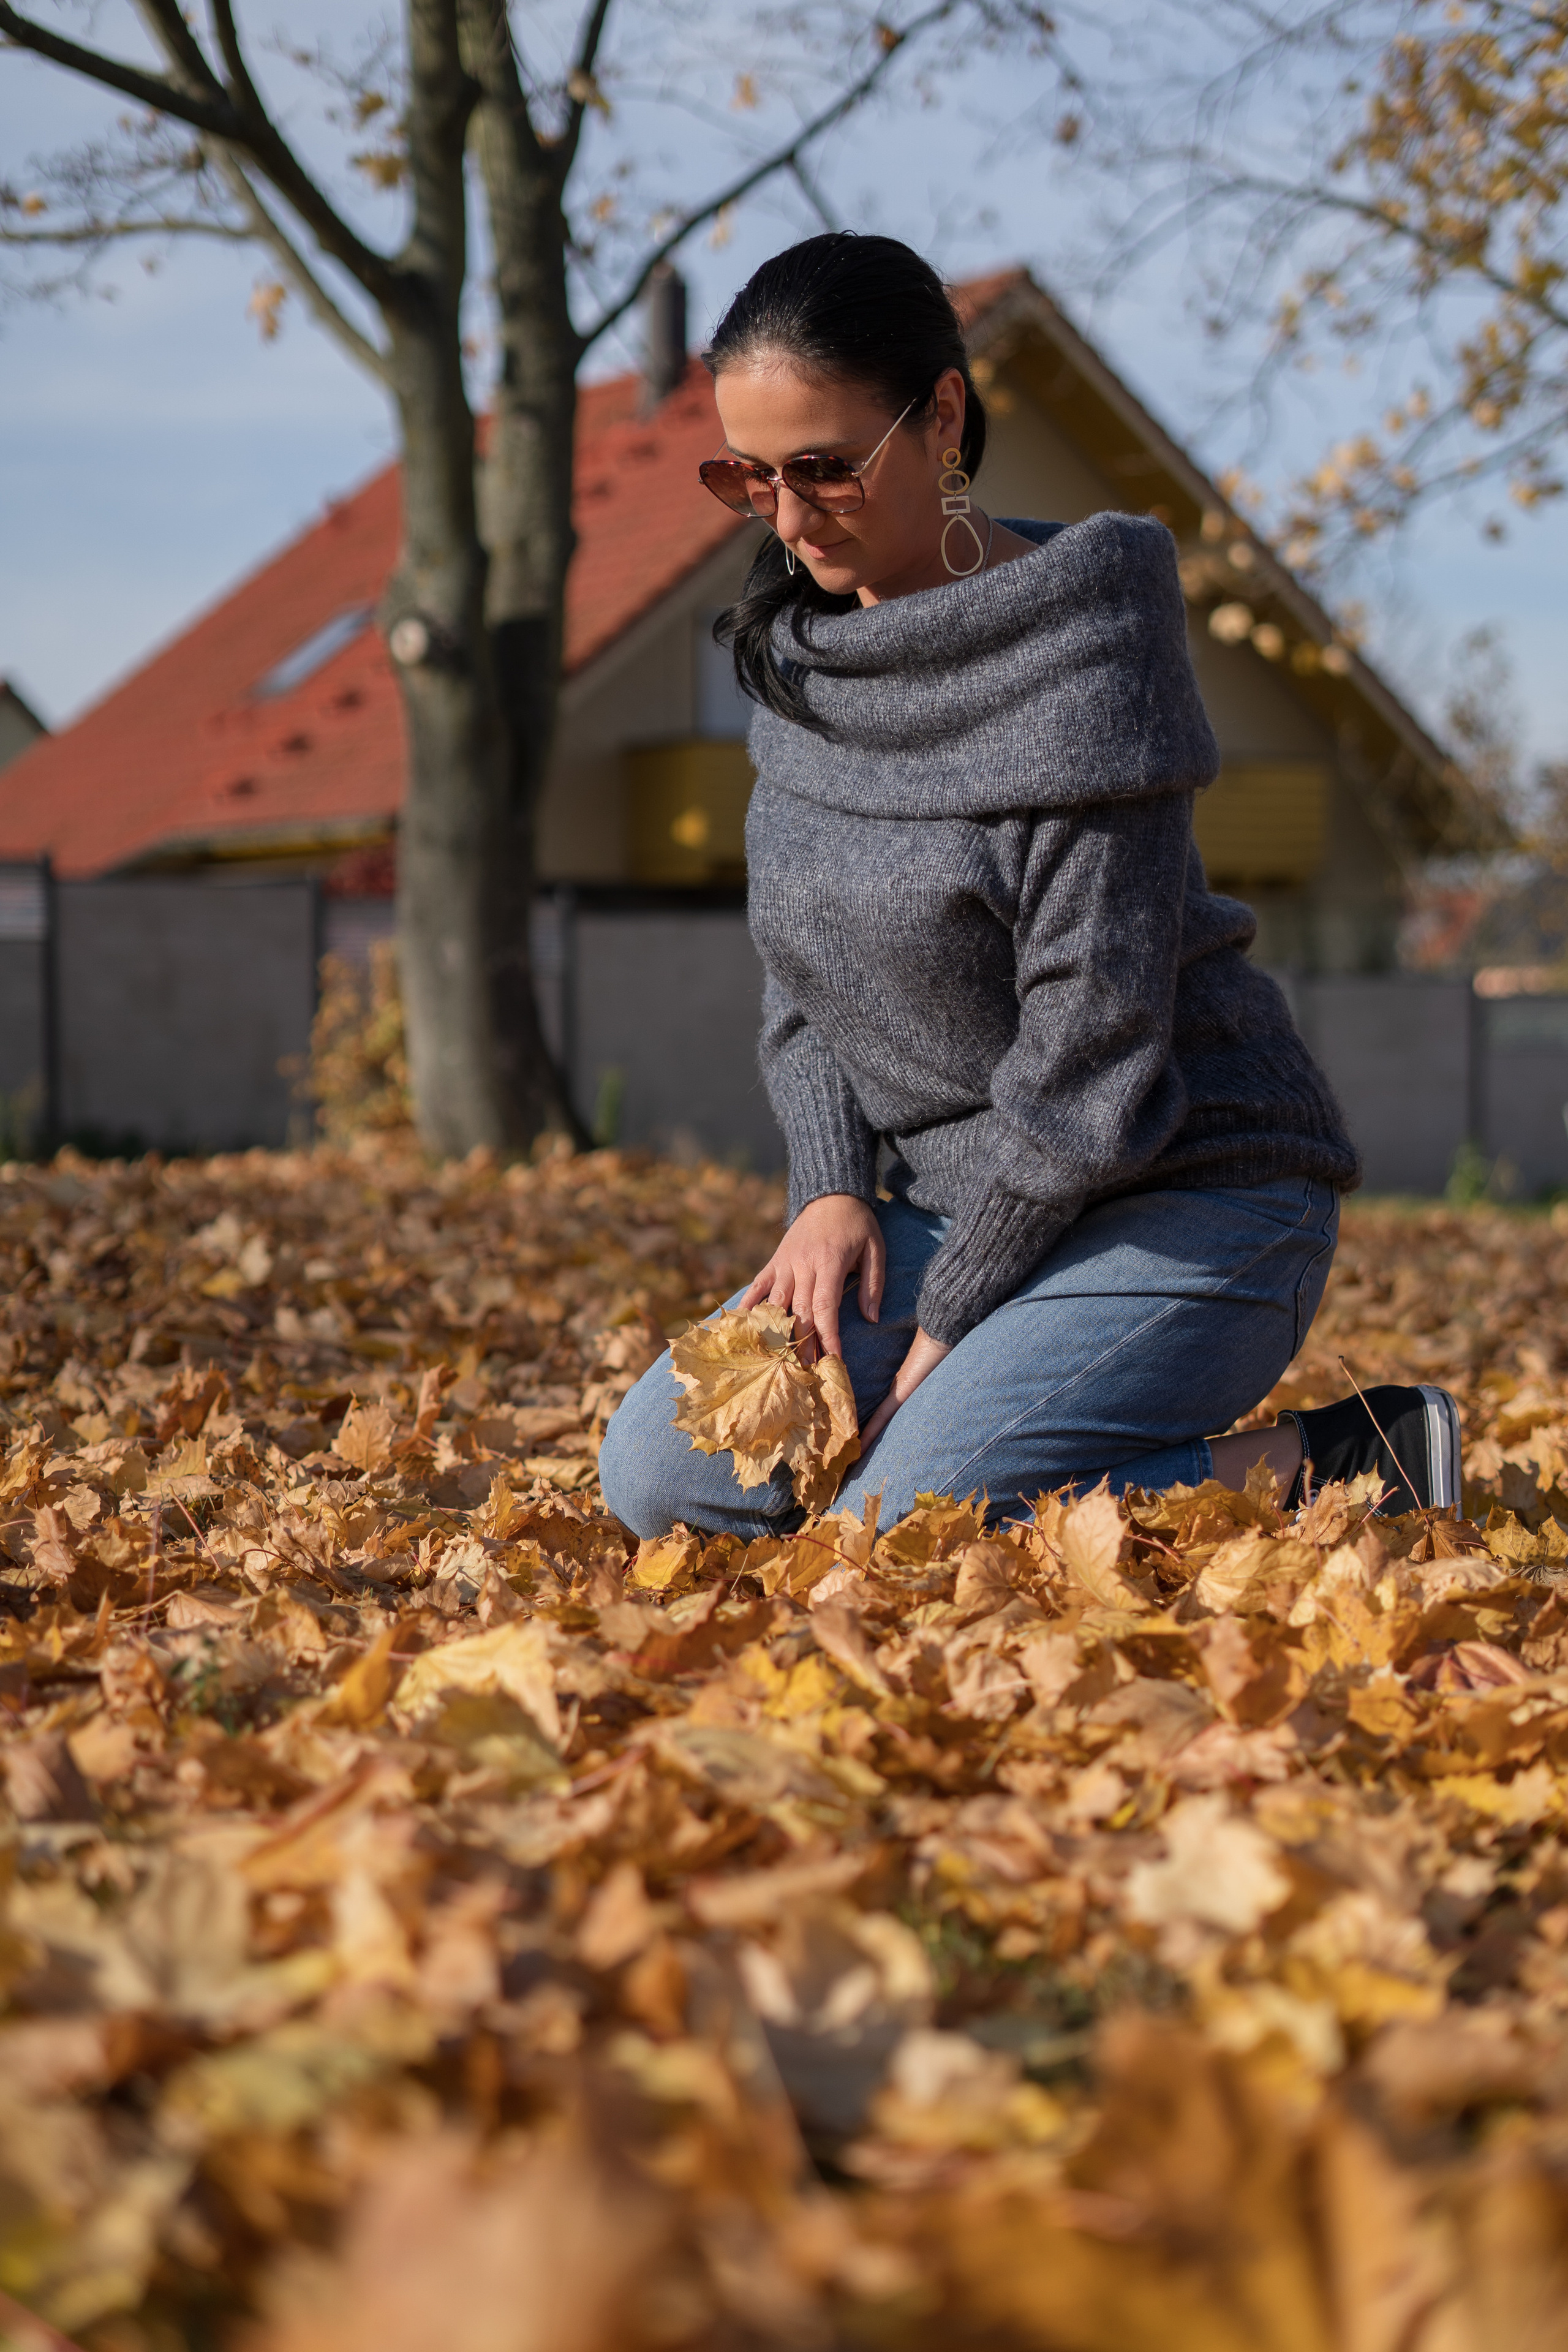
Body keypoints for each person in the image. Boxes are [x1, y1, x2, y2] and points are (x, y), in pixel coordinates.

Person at [598, 232, 1460, 1542]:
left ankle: (1350, 1458)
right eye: (746, 477)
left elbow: (1092, 1056)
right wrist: (830, 1189)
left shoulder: (1085, 660)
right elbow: (802, 974)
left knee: (904, 1525)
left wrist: (949, 1324)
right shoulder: (806, 667)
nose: (784, 519)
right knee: (663, 1479)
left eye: (823, 469)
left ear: (941, 414)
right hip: (951, 1209)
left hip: (1188, 1196)